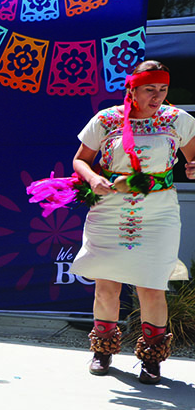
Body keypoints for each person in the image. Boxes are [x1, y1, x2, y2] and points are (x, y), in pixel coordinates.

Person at [70, 60, 195, 384]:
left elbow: (193, 158)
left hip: (159, 211)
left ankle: (152, 359)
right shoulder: (107, 119)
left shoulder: (177, 120)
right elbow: (81, 160)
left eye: (163, 89)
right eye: (150, 89)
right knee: (106, 284)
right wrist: (93, 177)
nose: (157, 96)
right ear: (133, 89)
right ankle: (103, 350)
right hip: (109, 209)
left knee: (152, 287)